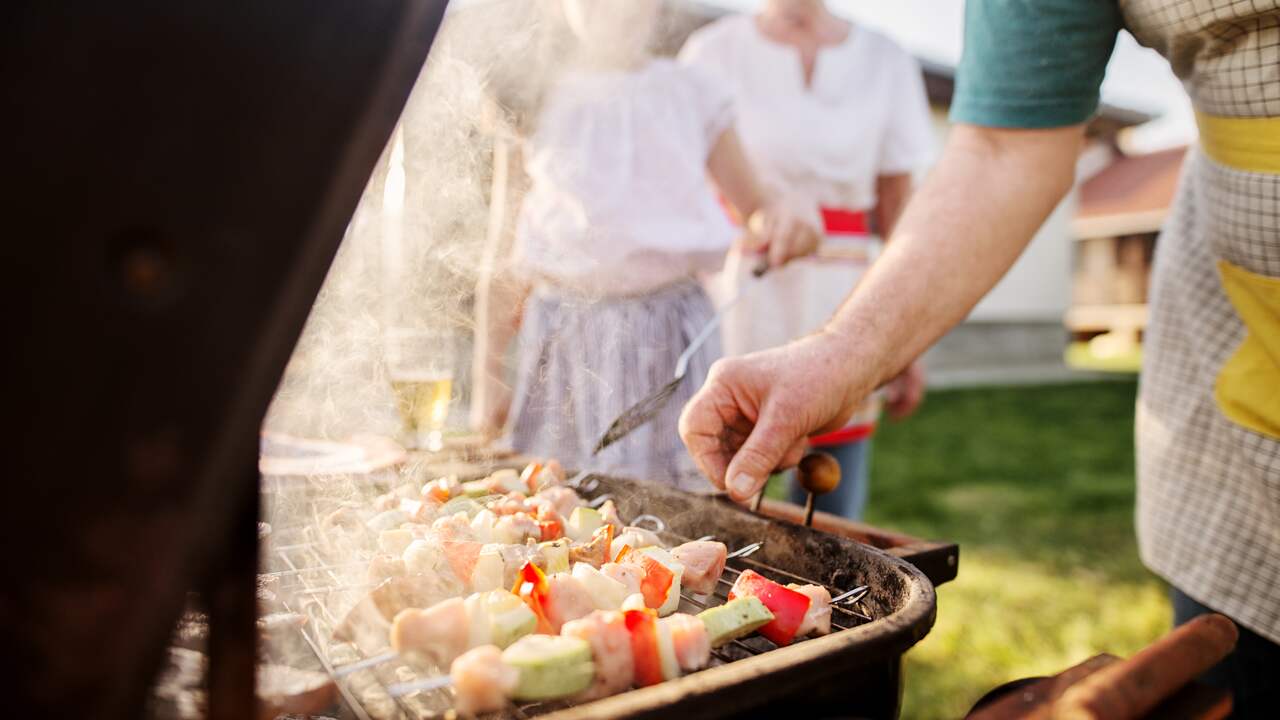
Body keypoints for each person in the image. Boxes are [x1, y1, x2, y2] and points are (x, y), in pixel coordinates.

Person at [679, 0, 1280, 712]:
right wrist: (845, 352)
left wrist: (890, 353)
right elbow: (1004, 145)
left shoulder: (881, 58)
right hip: (1246, 423)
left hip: (847, 267)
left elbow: (902, 191)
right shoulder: (712, 51)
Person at [470, 0, 819, 488]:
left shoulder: (692, 91)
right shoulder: (534, 98)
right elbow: (503, 255)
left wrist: (788, 219)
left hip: (670, 337)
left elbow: (758, 207)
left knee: (679, 509)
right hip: (564, 341)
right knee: (558, 500)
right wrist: (488, 376)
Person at [678, 0, 932, 519]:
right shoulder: (712, 51)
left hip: (846, 293)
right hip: (747, 285)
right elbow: (683, 185)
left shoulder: (886, 59)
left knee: (832, 500)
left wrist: (908, 340)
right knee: (734, 473)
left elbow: (897, 207)